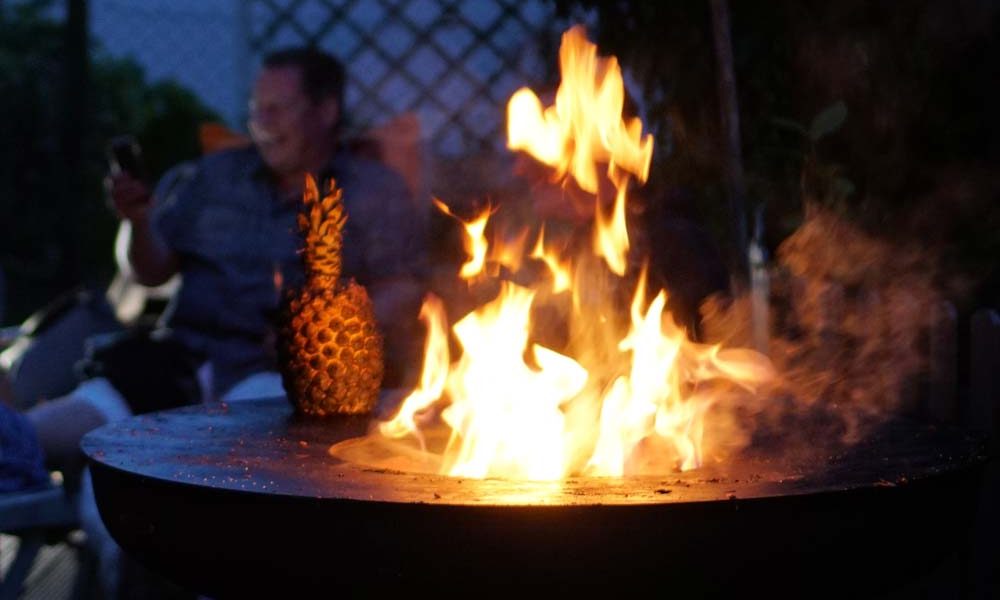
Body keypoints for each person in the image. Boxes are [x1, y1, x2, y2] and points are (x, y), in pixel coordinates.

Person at [26, 46, 429, 598]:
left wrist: (325, 329)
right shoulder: (214, 176)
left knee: (214, 483)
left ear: (325, 111)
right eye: (256, 107)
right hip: (179, 360)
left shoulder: (369, 189)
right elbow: (150, 271)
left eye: (278, 109)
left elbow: (404, 289)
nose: (261, 123)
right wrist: (138, 221)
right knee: (42, 434)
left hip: (274, 379)